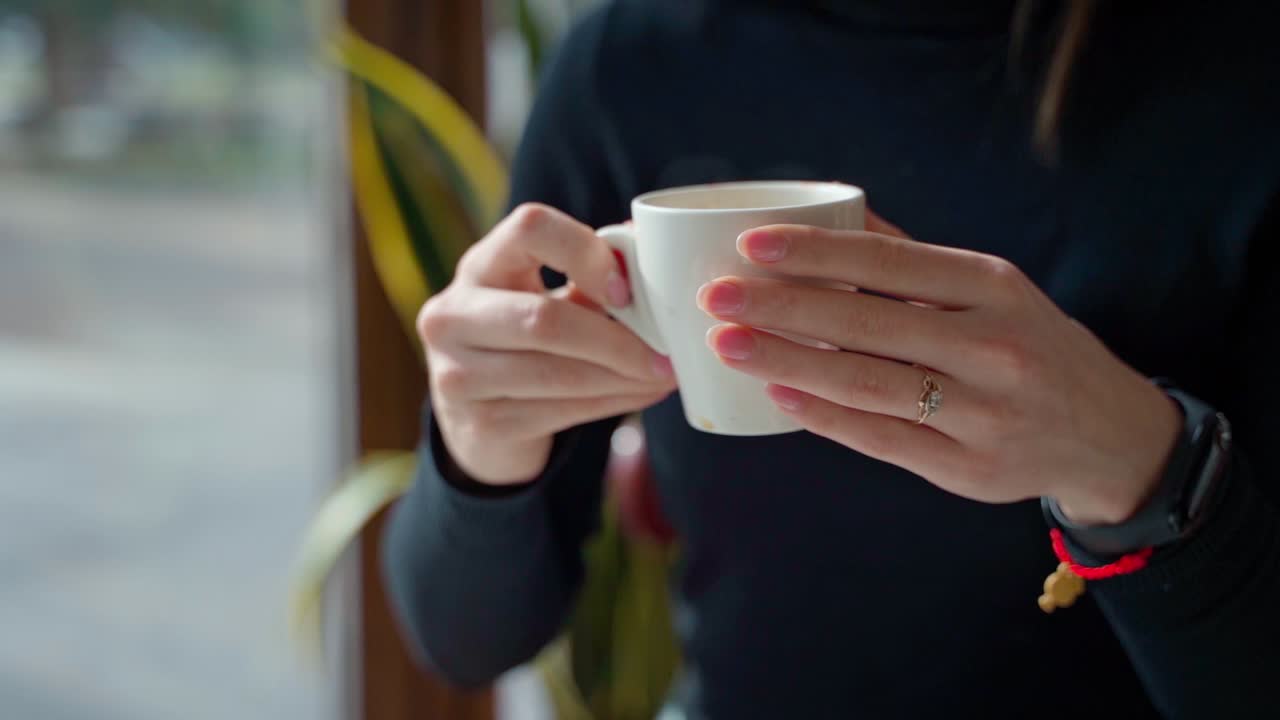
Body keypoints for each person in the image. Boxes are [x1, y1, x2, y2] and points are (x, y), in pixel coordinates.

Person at [381, 1, 1280, 717]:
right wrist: (479, 446)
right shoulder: (630, 68)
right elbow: (466, 641)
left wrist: (1142, 464)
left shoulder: (1240, 67)